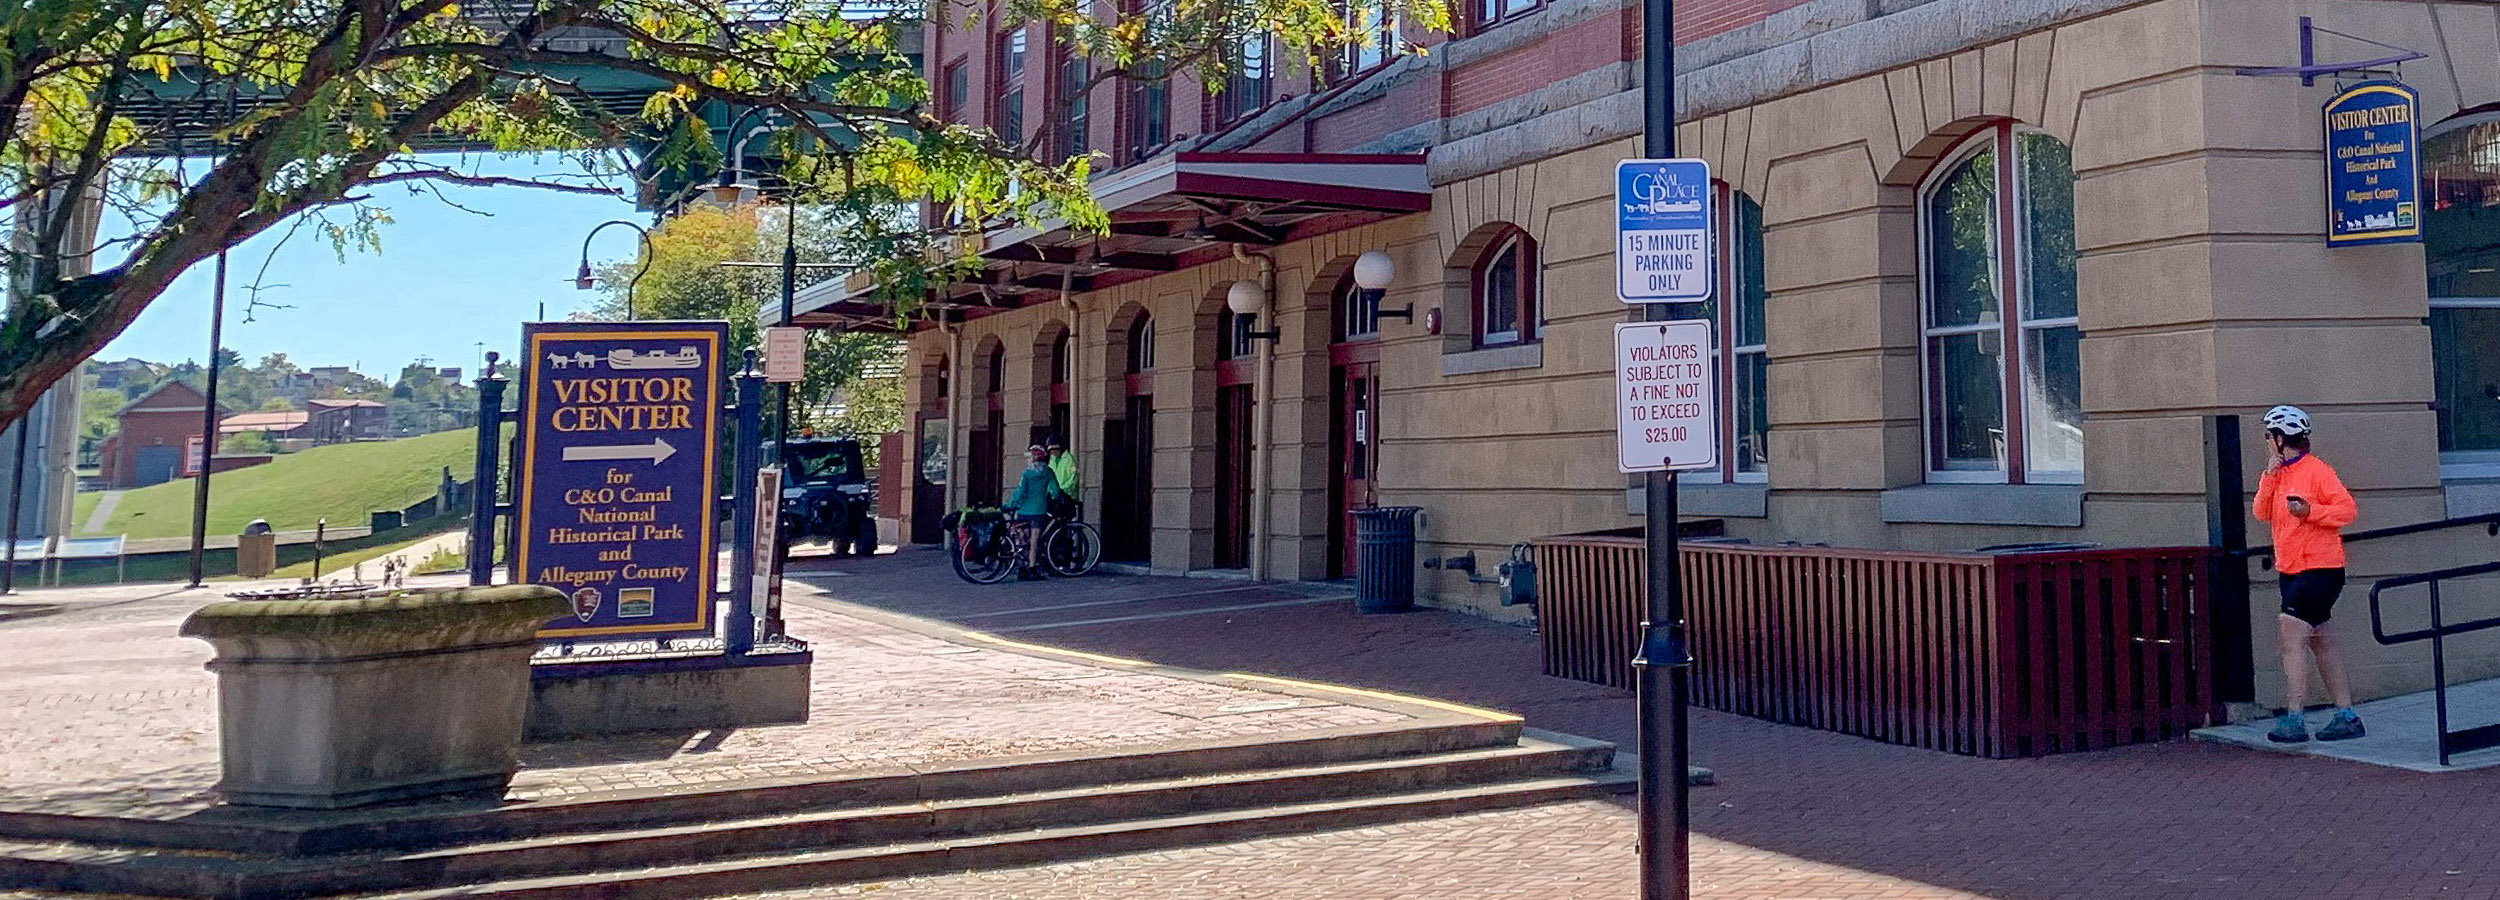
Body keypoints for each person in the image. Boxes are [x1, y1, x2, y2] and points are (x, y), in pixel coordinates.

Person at [2253, 405, 2365, 743]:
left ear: (2280, 438)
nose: (2267, 442)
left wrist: (2310, 511)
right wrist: (2269, 474)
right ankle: (2347, 715)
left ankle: (2295, 719)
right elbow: (2260, 512)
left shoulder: (2318, 471)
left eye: (2269, 436)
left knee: (2291, 638)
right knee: (2322, 642)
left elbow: (2347, 510)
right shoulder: (2278, 474)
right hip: (2291, 569)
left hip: (2320, 569)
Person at [1005, 444, 1066, 580]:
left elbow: (1019, 492)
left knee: (1022, 540)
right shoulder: (1048, 472)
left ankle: (1022, 567)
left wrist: (1010, 505)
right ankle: (1032, 568)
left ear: (1033, 458)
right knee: (1034, 541)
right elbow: (1055, 491)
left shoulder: (1026, 474)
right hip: (1039, 511)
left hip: (1024, 511)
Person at [1046, 438, 1079, 519]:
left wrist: (1064, 490)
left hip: (1067, 495)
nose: (1053, 453)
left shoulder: (1069, 459)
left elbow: (1073, 478)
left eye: (1055, 450)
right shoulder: (1052, 460)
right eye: (1051, 451)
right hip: (1055, 495)